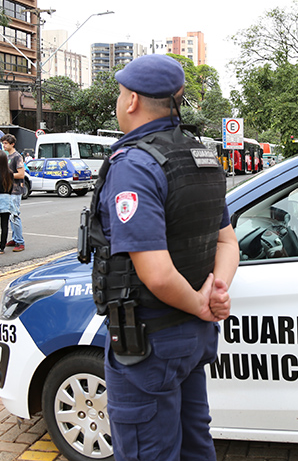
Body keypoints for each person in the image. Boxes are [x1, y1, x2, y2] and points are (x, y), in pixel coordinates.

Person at [92, 54, 238, 461]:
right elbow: (227, 243)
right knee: (194, 445)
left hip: (149, 340)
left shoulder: (135, 164)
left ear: (133, 100)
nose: (120, 103)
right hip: (191, 338)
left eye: (120, 94)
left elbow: (156, 274)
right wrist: (215, 292)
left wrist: (202, 304)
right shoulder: (200, 156)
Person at [0, 134, 26, 252]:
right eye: (3, 143)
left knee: (14, 216)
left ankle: (20, 242)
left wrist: (7, 175)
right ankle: (15, 238)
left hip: (15, 190)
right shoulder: (6, 156)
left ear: (12, 144)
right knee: (11, 216)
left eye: (6, 143)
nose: (4, 145)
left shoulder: (17, 157)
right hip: (8, 189)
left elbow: (21, 174)